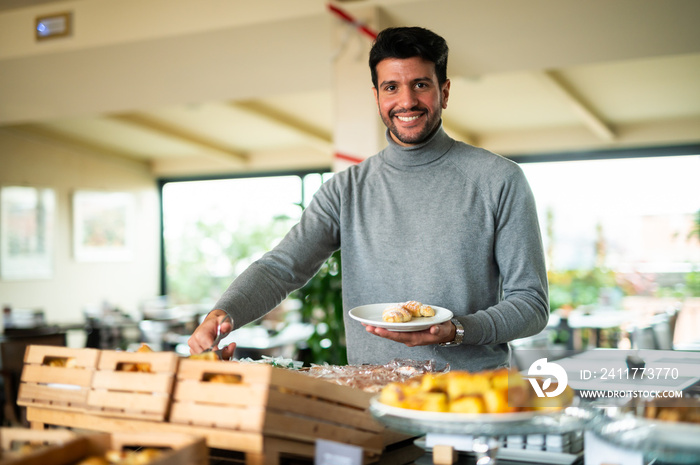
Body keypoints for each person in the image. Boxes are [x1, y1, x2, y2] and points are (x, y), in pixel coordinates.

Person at [188, 26, 548, 372]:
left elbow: (531, 303)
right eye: (391, 87)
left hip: (471, 399)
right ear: (376, 96)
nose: (406, 101)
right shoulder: (345, 190)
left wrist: (458, 330)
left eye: (420, 84)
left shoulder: (499, 179)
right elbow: (282, 268)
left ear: (445, 91)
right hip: (371, 399)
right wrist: (224, 313)